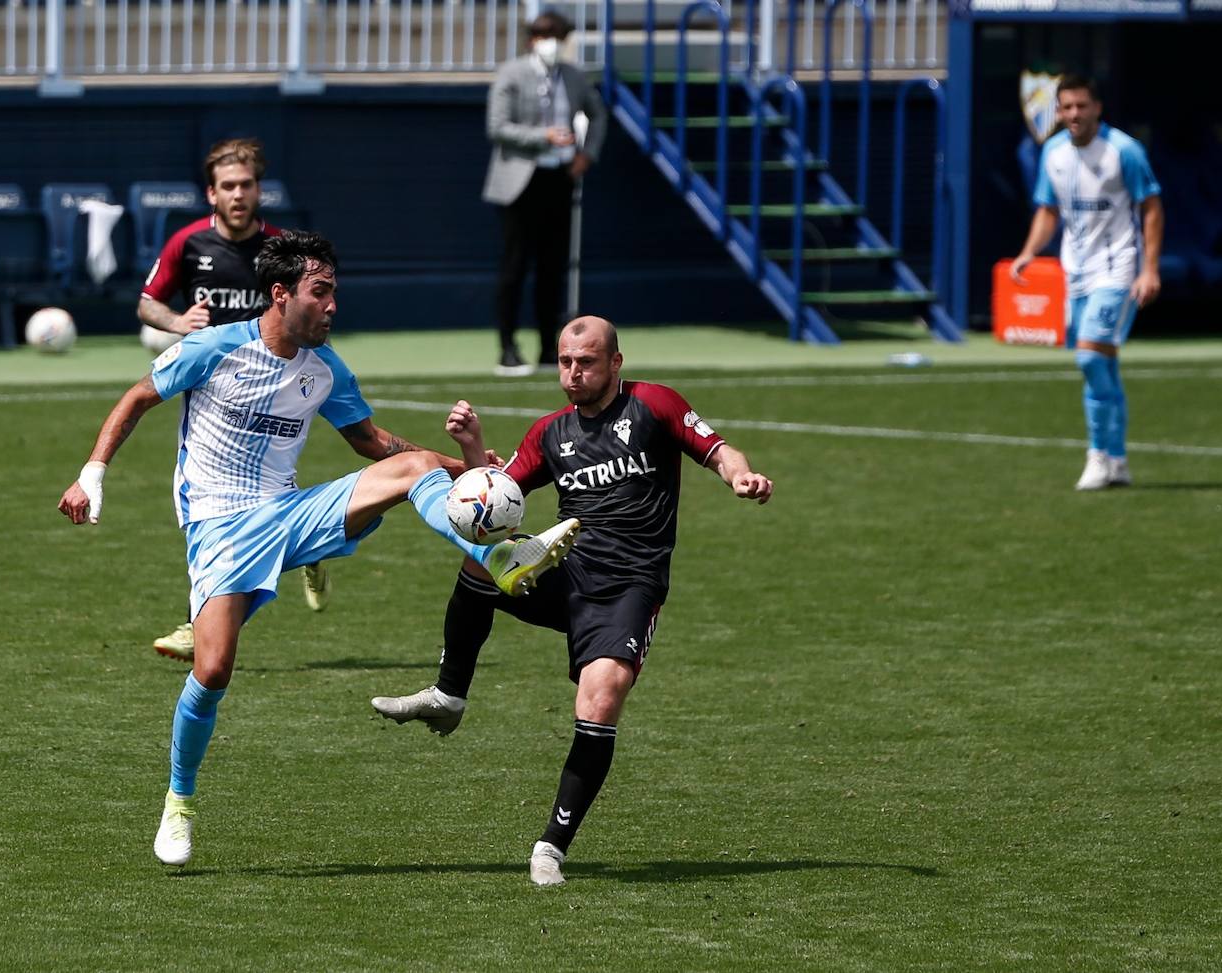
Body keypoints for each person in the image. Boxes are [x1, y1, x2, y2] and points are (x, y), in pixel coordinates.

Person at [58, 231, 581, 867]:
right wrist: (93, 472)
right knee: (213, 668)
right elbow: (139, 396)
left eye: (335, 291)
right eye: (321, 292)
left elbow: (370, 440)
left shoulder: (324, 369)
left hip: (293, 512)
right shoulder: (215, 349)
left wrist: (464, 468)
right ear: (281, 295)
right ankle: (179, 800)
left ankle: (501, 558)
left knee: (413, 467)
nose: (333, 305)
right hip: (221, 531)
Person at [370, 316, 774, 886]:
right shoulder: (550, 432)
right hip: (565, 567)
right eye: (564, 362)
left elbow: (718, 449)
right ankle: (449, 694)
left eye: (585, 362)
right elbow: (495, 494)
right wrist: (470, 446)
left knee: (601, 697)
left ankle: (551, 847)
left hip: (629, 588)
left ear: (615, 362)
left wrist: (742, 476)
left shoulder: (654, 405)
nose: (573, 373)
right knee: (480, 564)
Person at [138, 137, 331, 660]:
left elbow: (313, 296)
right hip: (213, 387)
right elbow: (147, 303)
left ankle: (206, 618)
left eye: (247, 185)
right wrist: (178, 323)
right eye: (229, 186)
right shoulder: (188, 244)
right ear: (212, 194)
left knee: (253, 497)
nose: (239, 194)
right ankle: (303, 549)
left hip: (278, 378)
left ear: (259, 190)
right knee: (205, 497)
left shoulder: (280, 249)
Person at [1011, 74, 1164, 491]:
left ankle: (1098, 454)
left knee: (1090, 358)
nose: (1074, 114)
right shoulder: (1054, 153)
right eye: (1067, 107)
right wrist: (1029, 252)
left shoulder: (1124, 152)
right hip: (1075, 270)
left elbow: (1151, 207)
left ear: (1098, 108)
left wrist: (1150, 269)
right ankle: (1117, 461)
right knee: (1103, 363)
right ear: (1058, 112)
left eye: (1081, 106)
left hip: (1118, 268)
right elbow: (1048, 210)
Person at [483, 10, 606, 377]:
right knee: (514, 266)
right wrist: (544, 137)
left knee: (552, 268)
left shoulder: (573, 75)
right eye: (543, 34)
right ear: (531, 38)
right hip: (520, 182)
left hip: (559, 179)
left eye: (556, 34)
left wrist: (588, 154)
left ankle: (549, 348)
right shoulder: (512, 73)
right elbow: (497, 127)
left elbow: (597, 115)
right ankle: (507, 347)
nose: (550, 40)